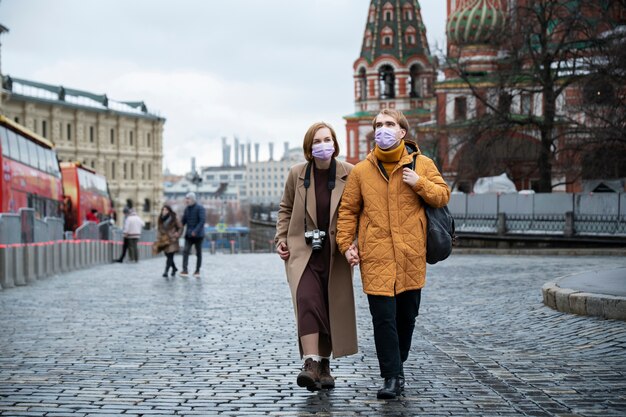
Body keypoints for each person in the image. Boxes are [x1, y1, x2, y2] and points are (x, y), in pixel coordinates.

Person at [336, 109, 450, 399]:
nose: (382, 129)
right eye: (378, 125)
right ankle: (392, 377)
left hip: (411, 253)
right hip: (376, 255)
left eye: (389, 124)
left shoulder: (422, 164)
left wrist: (419, 183)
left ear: (402, 132)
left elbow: (442, 195)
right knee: (383, 319)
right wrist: (346, 244)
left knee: (406, 318)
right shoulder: (362, 171)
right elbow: (348, 210)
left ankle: (397, 360)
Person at [275, 122, 358, 392]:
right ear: (309, 147)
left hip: (336, 253)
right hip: (303, 251)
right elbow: (285, 208)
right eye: (318, 141)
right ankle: (310, 363)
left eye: (328, 139)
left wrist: (354, 244)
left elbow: (359, 212)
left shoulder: (350, 173)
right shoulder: (297, 173)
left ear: (335, 143)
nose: (323, 145)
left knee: (330, 305)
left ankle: (324, 366)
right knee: (307, 299)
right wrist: (281, 239)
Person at [180, 192, 206, 278]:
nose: (186, 200)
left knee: (198, 253)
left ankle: (197, 270)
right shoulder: (186, 209)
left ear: (193, 199)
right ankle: (185, 270)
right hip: (188, 235)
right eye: (186, 199)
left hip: (198, 235)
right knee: (185, 251)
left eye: (188, 199)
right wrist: (178, 227)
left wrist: (195, 231)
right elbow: (183, 222)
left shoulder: (200, 208)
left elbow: (202, 221)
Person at [155, 205, 182, 277]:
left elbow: (180, 227)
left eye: (166, 210)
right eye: (163, 210)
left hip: (172, 239)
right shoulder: (160, 219)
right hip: (164, 239)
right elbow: (159, 229)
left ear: (169, 211)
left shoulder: (174, 218)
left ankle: (166, 271)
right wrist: (158, 238)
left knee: (170, 255)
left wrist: (177, 234)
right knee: (167, 254)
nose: (164, 211)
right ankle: (174, 268)